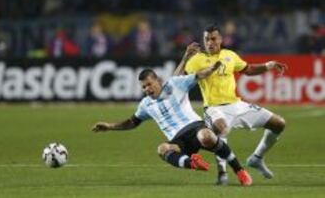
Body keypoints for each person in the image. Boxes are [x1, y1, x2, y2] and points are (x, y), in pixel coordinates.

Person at [92, 64, 253, 186]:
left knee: (207, 136)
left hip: (194, 127)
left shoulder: (176, 84)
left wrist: (211, 69)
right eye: (144, 87)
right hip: (178, 140)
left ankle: (239, 170)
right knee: (162, 149)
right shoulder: (145, 105)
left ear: (158, 80)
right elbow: (132, 122)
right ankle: (193, 163)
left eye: (149, 84)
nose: (147, 89)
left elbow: (198, 75)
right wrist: (109, 126)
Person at [174, 25, 287, 185]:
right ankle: (222, 173)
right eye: (206, 39)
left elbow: (248, 69)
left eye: (213, 38)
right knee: (221, 128)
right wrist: (185, 58)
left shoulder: (230, 55)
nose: (210, 42)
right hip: (214, 108)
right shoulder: (197, 60)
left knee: (279, 123)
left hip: (237, 104)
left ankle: (257, 158)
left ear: (220, 39)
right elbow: (175, 82)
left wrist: (268, 65)